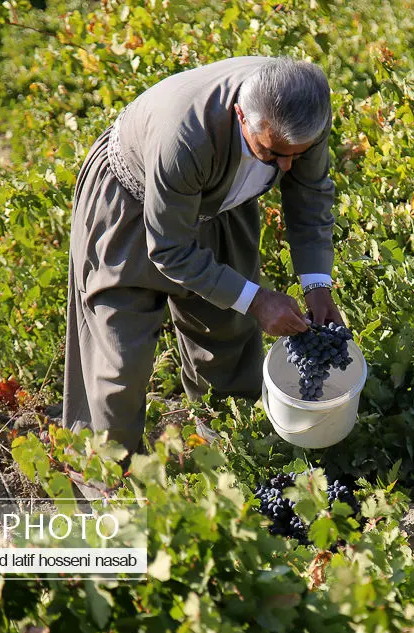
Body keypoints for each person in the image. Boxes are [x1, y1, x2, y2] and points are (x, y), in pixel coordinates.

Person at [62, 56, 343, 455]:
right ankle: (109, 482)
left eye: (296, 154)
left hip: (222, 204)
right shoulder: (185, 135)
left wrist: (317, 285)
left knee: (227, 340)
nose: (285, 166)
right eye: (271, 152)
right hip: (132, 208)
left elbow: (310, 195)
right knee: (119, 366)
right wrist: (258, 299)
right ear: (240, 117)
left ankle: (232, 457)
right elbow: (171, 250)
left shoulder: (304, 112)